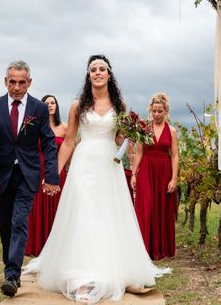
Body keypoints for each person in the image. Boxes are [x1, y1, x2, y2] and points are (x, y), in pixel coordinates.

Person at [23, 55, 170, 304]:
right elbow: (69, 141)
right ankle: (81, 275)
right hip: (83, 163)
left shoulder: (120, 105)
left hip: (108, 164)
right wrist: (53, 174)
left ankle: (108, 268)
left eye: (102, 69)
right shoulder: (77, 105)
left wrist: (133, 138)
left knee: (108, 214)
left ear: (109, 75)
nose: (98, 72)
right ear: (88, 75)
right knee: (82, 213)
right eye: (93, 69)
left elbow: (119, 139)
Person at [0, 60, 61, 298]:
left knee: (18, 221)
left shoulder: (38, 109)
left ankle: (13, 275)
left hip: (28, 175)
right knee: (5, 225)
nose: (16, 87)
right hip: (2, 175)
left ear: (29, 82)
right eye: (12, 82)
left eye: (22, 82)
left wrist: (51, 176)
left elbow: (48, 142)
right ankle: (10, 265)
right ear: (6, 81)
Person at [130, 92, 179, 260]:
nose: (156, 114)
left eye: (160, 111)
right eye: (154, 111)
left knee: (162, 207)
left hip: (164, 171)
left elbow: (174, 156)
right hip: (146, 170)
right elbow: (139, 152)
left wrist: (174, 178)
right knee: (147, 206)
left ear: (166, 111)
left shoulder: (172, 131)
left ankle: (161, 249)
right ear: (150, 110)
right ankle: (144, 249)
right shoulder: (144, 128)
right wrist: (134, 174)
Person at [25, 94, 68, 256]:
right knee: (37, 207)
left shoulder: (64, 127)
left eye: (52, 103)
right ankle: (37, 245)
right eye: (46, 103)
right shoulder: (35, 125)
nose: (50, 105)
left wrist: (61, 168)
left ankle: (57, 247)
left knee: (58, 208)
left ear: (56, 106)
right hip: (38, 170)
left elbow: (70, 149)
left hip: (57, 171)